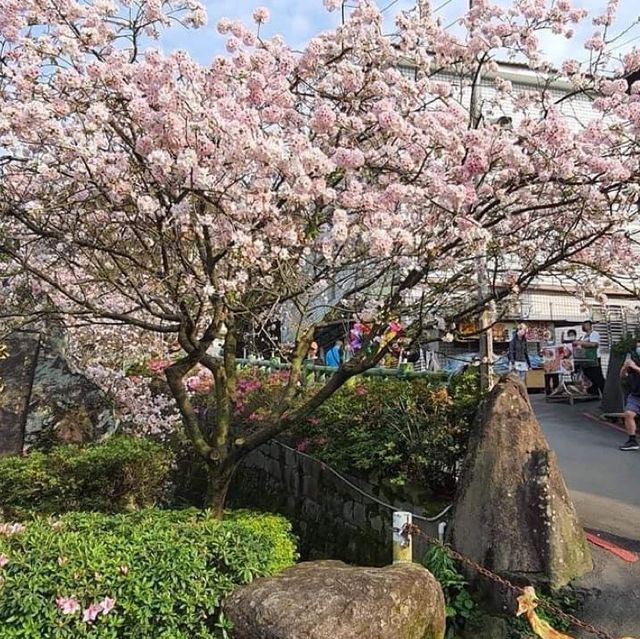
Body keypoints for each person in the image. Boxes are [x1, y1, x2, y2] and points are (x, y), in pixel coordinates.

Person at [619, 339, 640, 451]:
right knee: (628, 414)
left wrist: (635, 368)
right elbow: (622, 376)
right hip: (636, 394)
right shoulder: (634, 359)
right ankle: (632, 440)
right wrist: (625, 367)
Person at [575, 320, 604, 397]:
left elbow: (594, 344)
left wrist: (582, 343)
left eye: (585, 325)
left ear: (589, 325)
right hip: (586, 359)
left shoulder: (594, 333)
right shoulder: (584, 336)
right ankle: (594, 392)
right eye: (583, 325)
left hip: (594, 358)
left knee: (597, 376)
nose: (583, 327)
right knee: (589, 376)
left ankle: (604, 393)